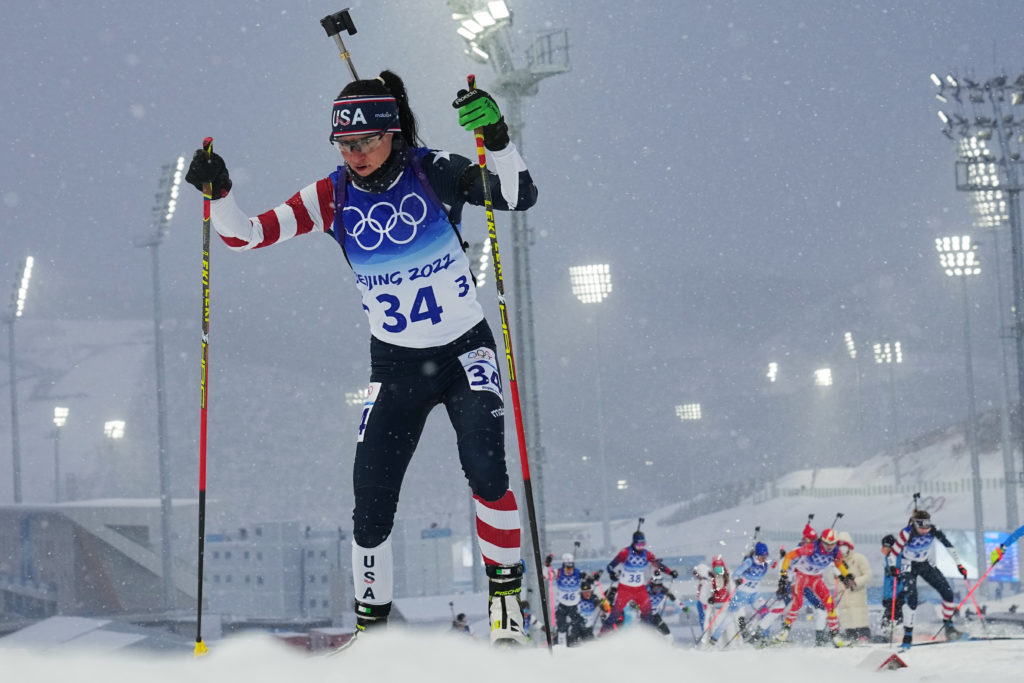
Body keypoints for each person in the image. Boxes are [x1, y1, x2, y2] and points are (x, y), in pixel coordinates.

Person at [184, 70, 538, 645]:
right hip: (396, 366)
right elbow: (244, 236)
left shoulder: (435, 170)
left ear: (393, 134)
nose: (357, 155)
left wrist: (497, 136)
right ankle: (372, 630)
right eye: (345, 145)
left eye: (367, 142)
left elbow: (519, 196)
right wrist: (219, 194)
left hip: (463, 351)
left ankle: (505, 602)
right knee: (371, 495)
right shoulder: (331, 196)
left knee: (486, 467)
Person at [888, 509, 967, 648]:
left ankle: (949, 627)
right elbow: (892, 554)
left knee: (947, 592)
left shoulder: (933, 530)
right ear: (914, 525)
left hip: (924, 563)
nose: (925, 531)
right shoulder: (906, 533)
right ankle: (907, 635)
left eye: (927, 527)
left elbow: (948, 545)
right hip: (909, 565)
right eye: (921, 528)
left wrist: (959, 565)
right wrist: (893, 567)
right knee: (912, 598)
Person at [773, 528, 853, 647]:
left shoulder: (835, 551)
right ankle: (784, 632)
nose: (830, 547)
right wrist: (784, 575)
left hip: (815, 578)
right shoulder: (812, 547)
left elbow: (838, 564)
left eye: (833, 543)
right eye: (827, 543)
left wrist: (847, 576)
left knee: (829, 603)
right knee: (798, 603)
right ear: (822, 541)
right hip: (800, 576)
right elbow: (789, 556)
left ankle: (835, 636)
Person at [601, 531, 678, 633]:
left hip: (639, 589)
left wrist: (670, 572)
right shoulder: (625, 552)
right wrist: (612, 573)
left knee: (648, 614)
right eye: (639, 544)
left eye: (643, 544)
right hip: (625, 589)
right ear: (634, 542)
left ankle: (647, 636)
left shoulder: (647, 554)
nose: (641, 547)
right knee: (615, 614)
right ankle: (602, 635)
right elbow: (610, 566)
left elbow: (658, 565)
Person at [711, 542, 771, 646]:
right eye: (762, 557)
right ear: (756, 555)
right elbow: (735, 574)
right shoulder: (748, 562)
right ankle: (714, 638)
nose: (764, 559)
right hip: (741, 595)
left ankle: (765, 638)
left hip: (754, 595)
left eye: (765, 557)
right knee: (730, 618)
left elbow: (775, 563)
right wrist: (737, 579)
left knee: (766, 613)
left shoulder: (765, 563)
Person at [835, 531, 872, 642]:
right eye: (840, 546)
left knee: (859, 619)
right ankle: (850, 638)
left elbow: (868, 575)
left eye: (844, 546)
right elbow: (830, 580)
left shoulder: (859, 558)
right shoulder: (836, 562)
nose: (842, 549)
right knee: (847, 622)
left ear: (849, 546)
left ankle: (864, 638)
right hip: (843, 598)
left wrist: (855, 582)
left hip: (857, 596)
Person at [552, 553, 588, 646]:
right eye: (567, 568)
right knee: (561, 626)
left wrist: (592, 578)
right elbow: (545, 576)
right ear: (563, 566)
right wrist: (547, 565)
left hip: (574, 605)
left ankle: (576, 641)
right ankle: (561, 644)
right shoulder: (558, 572)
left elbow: (588, 578)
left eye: (571, 568)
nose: (569, 570)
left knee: (578, 624)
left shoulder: (577, 572)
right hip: (562, 605)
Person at [700, 554, 734, 646]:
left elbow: (733, 589)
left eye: (720, 567)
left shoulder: (728, 576)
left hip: (726, 606)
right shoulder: (710, 579)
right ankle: (718, 646)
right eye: (716, 568)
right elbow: (704, 596)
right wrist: (709, 599)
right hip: (716, 607)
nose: (719, 570)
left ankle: (733, 645)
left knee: (729, 626)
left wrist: (732, 598)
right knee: (717, 627)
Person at [878, 534, 905, 639]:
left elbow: (902, 575)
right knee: (887, 616)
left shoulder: (899, 558)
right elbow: (887, 580)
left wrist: (902, 592)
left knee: (896, 615)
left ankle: (898, 633)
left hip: (898, 594)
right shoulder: (887, 558)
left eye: (886, 547)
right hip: (889, 595)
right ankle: (886, 633)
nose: (883, 549)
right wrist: (885, 596)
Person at [576, 575, 611, 642]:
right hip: (577, 627)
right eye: (585, 592)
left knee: (592, 645)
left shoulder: (594, 598)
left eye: (588, 591)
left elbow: (606, 609)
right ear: (581, 592)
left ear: (591, 591)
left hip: (588, 628)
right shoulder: (578, 598)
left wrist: (604, 602)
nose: (587, 594)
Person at [646, 570, 677, 640]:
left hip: (655, 616)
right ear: (652, 585)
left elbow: (674, 599)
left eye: (659, 586)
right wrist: (635, 605)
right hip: (644, 616)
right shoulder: (645, 590)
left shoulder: (663, 590)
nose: (658, 589)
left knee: (668, 635)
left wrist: (672, 597)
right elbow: (634, 602)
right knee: (649, 634)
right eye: (656, 587)